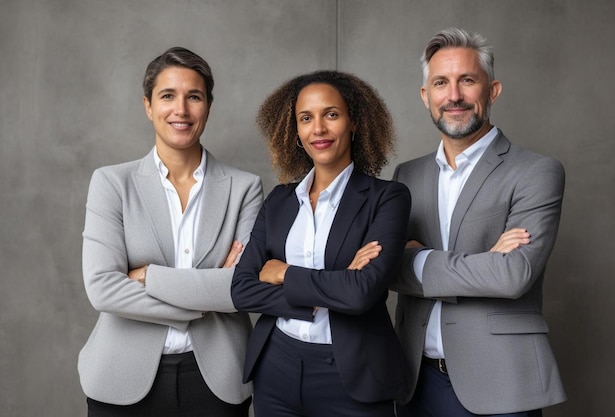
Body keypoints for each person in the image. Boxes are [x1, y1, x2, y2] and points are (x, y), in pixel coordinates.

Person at [78, 47, 263, 417]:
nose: (181, 110)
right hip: (120, 377)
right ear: (148, 106)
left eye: (193, 96)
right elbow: (102, 289)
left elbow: (241, 289)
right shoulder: (112, 183)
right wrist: (205, 296)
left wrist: (148, 277)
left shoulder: (245, 188)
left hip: (218, 380)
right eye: (167, 96)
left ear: (208, 105)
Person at [392, 28, 567, 416]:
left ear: (493, 91)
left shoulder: (536, 172)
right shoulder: (407, 175)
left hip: (502, 383)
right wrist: (482, 261)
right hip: (415, 382)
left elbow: (512, 275)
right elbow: (385, 269)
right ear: (426, 96)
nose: (453, 96)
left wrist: (419, 259)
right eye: (441, 82)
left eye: (467, 80)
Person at [230, 70, 411, 417]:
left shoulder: (387, 198)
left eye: (331, 114)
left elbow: (361, 293)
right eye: (306, 118)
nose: (319, 129)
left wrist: (284, 273)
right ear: (295, 131)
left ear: (353, 121)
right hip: (276, 367)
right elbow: (242, 289)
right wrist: (329, 290)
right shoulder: (280, 200)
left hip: (353, 376)